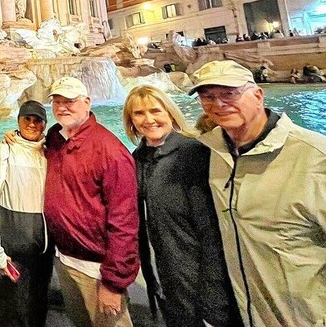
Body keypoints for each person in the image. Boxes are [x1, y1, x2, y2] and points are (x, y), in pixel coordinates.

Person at [190, 60, 326, 326]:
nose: (218, 104)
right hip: (244, 312)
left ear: (258, 95)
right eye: (207, 96)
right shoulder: (212, 152)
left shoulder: (314, 156)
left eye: (229, 93)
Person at [123, 86, 240, 327]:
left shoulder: (195, 153)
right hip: (162, 277)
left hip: (196, 280)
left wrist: (214, 295)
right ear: (131, 121)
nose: (149, 119)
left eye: (156, 110)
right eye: (139, 113)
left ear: (170, 113)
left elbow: (212, 230)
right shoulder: (137, 159)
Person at [41, 77, 138, 327]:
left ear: (87, 103)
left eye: (70, 101)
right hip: (65, 259)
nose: (62, 107)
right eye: (57, 101)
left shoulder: (110, 151)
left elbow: (124, 222)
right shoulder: (55, 138)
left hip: (97, 270)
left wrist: (113, 283)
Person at [0, 101, 51, 327]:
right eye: (27, 119)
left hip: (43, 252)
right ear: (18, 122)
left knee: (37, 310)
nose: (32, 124)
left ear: (44, 124)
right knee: (11, 313)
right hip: (13, 251)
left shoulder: (50, 152)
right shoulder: (4, 151)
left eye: (37, 120)